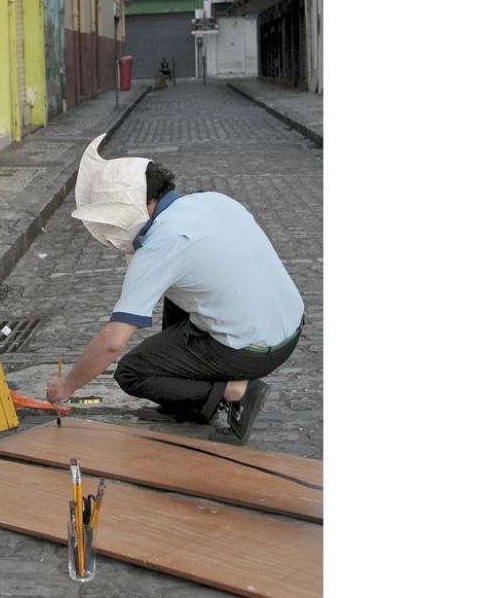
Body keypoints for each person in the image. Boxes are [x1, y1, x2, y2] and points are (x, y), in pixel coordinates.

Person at [45, 134, 304, 443]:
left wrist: (67, 386)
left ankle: (231, 392)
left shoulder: (161, 247)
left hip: (252, 351)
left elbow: (112, 343)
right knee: (178, 289)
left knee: (131, 371)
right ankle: (193, 405)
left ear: (136, 208)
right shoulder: (212, 200)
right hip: (290, 329)